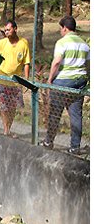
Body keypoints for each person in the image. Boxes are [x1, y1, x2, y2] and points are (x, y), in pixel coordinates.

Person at [41, 15, 90, 154]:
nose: (60, 31)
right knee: (76, 115)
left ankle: (49, 141)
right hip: (79, 82)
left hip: (63, 81)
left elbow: (56, 62)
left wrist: (50, 80)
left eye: (61, 28)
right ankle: (75, 146)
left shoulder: (62, 42)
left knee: (55, 113)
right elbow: (88, 65)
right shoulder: (84, 44)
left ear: (65, 28)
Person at [0, 20, 31, 136]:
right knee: (4, 106)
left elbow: (26, 63)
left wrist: (26, 81)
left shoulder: (23, 43)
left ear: (15, 29)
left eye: (9, 30)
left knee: (13, 107)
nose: (7, 32)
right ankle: (6, 130)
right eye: (5, 30)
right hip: (2, 80)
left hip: (16, 82)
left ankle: (9, 126)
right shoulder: (1, 43)